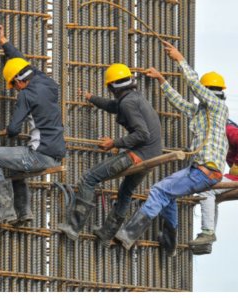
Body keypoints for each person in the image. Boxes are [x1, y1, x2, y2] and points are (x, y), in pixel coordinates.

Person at [115, 41, 229, 257]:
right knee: (167, 194)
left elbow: (195, 86)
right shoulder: (203, 112)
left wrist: (180, 60)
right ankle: (169, 242)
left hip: (204, 170)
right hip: (198, 170)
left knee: (159, 190)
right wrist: (161, 80)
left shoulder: (218, 107)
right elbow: (180, 103)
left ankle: (129, 234)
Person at [57, 64, 162, 246]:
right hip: (151, 156)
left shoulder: (128, 102)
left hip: (138, 155)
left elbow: (142, 133)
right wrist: (91, 98)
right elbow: (114, 106)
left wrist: (114, 143)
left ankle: (73, 227)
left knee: (89, 179)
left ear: (112, 86)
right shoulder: (134, 98)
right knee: (125, 191)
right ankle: (107, 232)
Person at [0, 25, 66, 225]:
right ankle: (24, 210)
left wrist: (7, 131)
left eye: (14, 84)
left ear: (19, 81)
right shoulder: (47, 82)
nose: (15, 89)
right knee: (13, 165)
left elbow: (14, 129)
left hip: (39, 156)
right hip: (56, 153)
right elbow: (24, 64)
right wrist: (4, 42)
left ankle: (4, 208)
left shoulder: (26, 95)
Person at [189, 119, 238, 255]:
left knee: (207, 188)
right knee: (213, 198)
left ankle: (207, 233)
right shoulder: (224, 143)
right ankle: (207, 240)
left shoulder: (228, 130)